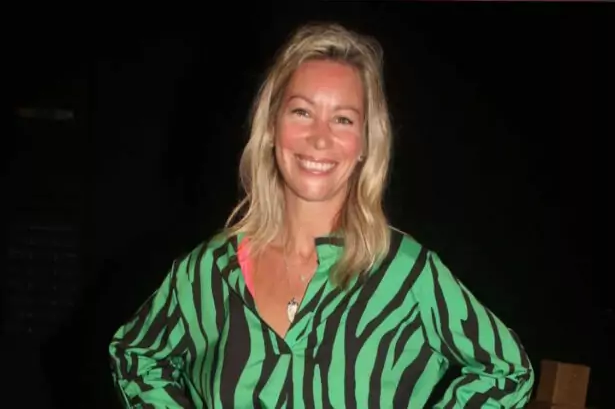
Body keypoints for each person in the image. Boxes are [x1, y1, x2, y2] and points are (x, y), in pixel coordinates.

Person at [108, 22, 534, 408]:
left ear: (365, 142)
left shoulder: (408, 275)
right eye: (302, 112)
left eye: (343, 119)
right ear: (271, 127)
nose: (319, 138)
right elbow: (136, 358)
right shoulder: (207, 273)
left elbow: (506, 372)